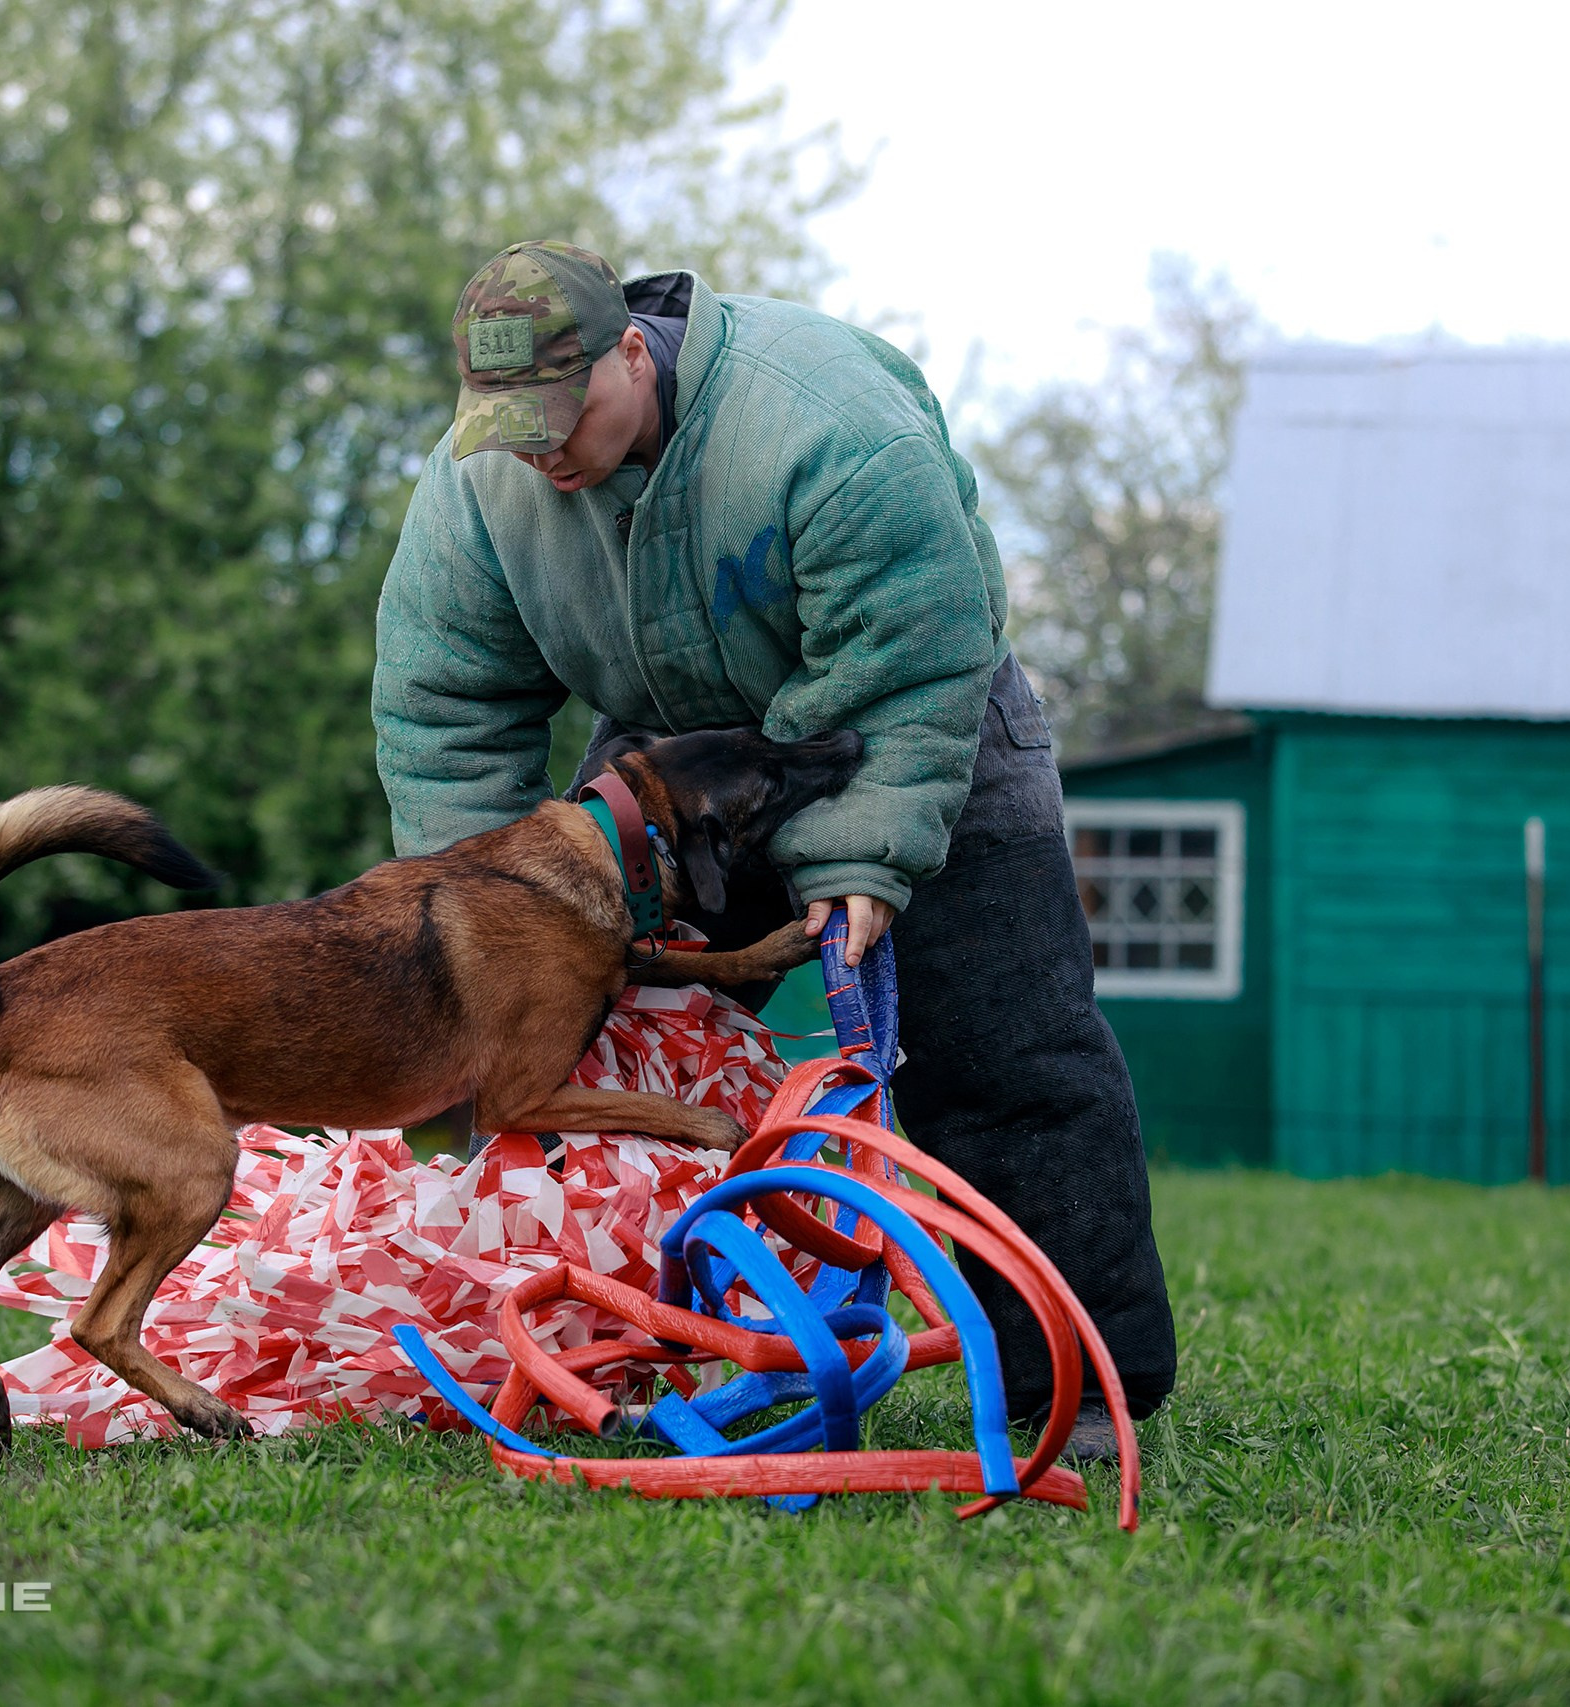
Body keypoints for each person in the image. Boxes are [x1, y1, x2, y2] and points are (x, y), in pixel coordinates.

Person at [370, 240, 1175, 1454]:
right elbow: (446, 702)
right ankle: (629, 1349)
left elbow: (908, 656)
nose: (538, 451)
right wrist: (484, 909)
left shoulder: (829, 425)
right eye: (509, 423)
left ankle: (1078, 1383)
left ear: (630, 353)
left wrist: (860, 860)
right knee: (593, 1036)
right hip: (673, 758)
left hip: (916, 720)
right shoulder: (480, 484)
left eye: (560, 414)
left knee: (1005, 1055)